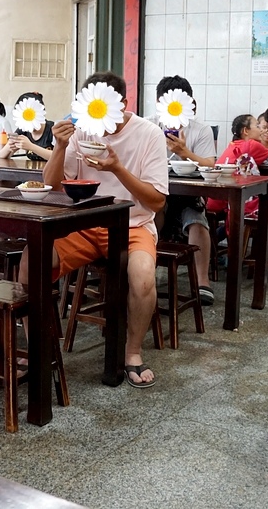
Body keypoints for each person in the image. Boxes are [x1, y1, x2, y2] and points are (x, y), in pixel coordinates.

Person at [22, 71, 167, 388]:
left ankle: (132, 352)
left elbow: (156, 201)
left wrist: (117, 168)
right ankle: (40, 348)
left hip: (133, 226)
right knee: (31, 259)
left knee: (143, 276)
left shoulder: (149, 134)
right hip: (85, 224)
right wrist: (60, 146)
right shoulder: (82, 130)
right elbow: (51, 186)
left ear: (123, 103)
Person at [145, 76, 217, 305]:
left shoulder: (201, 130)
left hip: (189, 194)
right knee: (151, 213)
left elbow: (210, 165)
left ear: (189, 103)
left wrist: (185, 153)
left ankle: (202, 282)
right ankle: (145, 273)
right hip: (156, 190)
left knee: (197, 220)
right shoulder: (148, 126)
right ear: (158, 102)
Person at [205, 114, 268, 219]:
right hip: (228, 200)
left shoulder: (233, 144)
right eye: (257, 126)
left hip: (213, 198)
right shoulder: (251, 144)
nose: (261, 130)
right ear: (246, 131)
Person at [0, 91, 54, 162]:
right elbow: (1, 156)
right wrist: (9, 147)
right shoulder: (23, 129)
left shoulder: (53, 129)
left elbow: (59, 157)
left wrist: (30, 146)